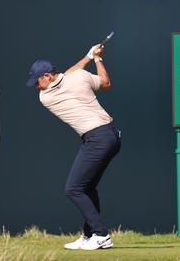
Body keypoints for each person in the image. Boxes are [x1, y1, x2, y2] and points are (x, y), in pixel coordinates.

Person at [25, 45, 120, 251]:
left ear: (48, 76)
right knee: (87, 188)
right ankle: (89, 235)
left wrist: (87, 56)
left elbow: (68, 74)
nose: (36, 86)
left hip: (97, 139)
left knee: (73, 189)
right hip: (111, 136)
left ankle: (102, 235)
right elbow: (105, 82)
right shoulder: (77, 78)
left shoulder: (46, 96)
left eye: (37, 81)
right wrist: (95, 58)